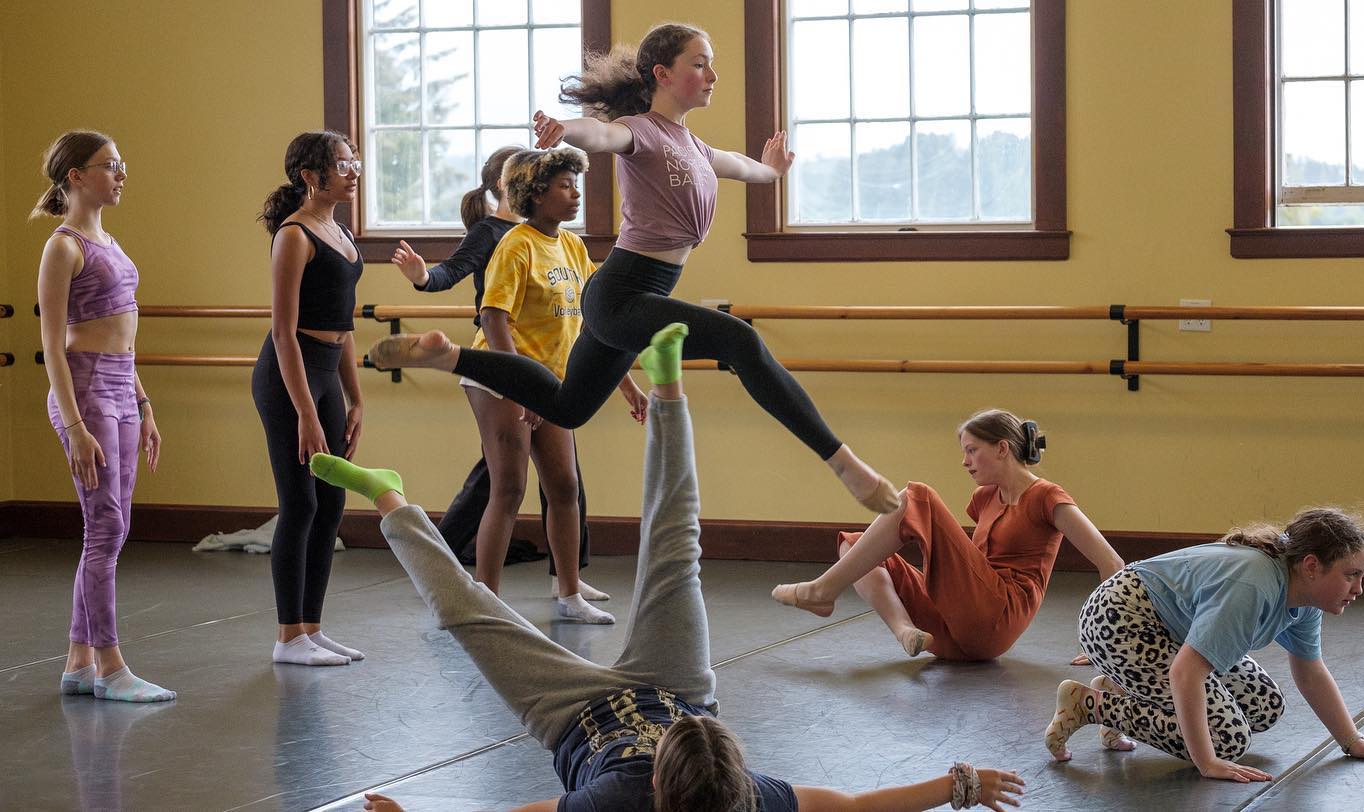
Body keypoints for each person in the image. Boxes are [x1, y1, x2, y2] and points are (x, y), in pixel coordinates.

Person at [312, 324, 1024, 812]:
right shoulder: (744, 796)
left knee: (467, 613)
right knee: (676, 553)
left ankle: (389, 497)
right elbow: (850, 806)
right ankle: (668, 388)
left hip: (573, 712)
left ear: (655, 785)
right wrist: (955, 785)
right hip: (679, 683)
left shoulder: (612, 801)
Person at [367, 22, 899, 515]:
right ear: (663, 75)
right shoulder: (640, 131)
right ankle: (845, 466)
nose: (712, 75)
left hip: (626, 297)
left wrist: (772, 171)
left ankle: (449, 356)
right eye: (700, 64)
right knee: (742, 343)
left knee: (567, 407)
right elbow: (603, 137)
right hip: (622, 294)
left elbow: (741, 165)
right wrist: (565, 129)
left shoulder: (694, 145)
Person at [1044, 508, 1364, 782]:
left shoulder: (1305, 598)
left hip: (1168, 628)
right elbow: (1186, 671)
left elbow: (1310, 671)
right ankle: (1092, 706)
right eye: (1351, 576)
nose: (1359, 589)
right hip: (1120, 620)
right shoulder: (1253, 586)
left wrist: (1352, 741)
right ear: (1310, 565)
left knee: (1264, 708)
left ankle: (1123, 687)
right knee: (1226, 740)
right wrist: (1207, 762)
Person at [390, 145, 609, 604]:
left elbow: (594, 318)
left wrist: (624, 384)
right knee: (506, 487)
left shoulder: (570, 244)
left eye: (576, 186)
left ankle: (569, 591)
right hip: (502, 374)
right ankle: (483, 597)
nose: (575, 196)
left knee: (564, 485)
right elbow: (486, 310)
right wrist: (423, 278)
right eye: (565, 186)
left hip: (550, 380)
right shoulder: (507, 240)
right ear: (534, 191)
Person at [772, 410, 1125, 665]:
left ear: (1003, 448)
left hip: (997, 618)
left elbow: (1111, 561)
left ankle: (821, 591)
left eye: (972, 450)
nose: (965, 461)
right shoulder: (985, 498)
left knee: (915, 496)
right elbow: (970, 568)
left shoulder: (1047, 497)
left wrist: (1105, 646)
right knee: (852, 545)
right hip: (957, 632)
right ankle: (905, 631)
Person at [35, 129, 173, 703]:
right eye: (109, 165)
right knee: (107, 528)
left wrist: (143, 402)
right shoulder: (63, 246)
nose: (120, 174)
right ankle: (112, 667)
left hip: (119, 387)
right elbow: (52, 344)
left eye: (122, 163)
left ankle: (78, 661)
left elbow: (125, 334)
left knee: (110, 530)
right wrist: (74, 426)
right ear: (75, 176)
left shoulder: (109, 241)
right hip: (85, 389)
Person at [253, 130, 367, 666]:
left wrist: (356, 397)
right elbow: (283, 333)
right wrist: (304, 412)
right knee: (300, 502)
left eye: (353, 161)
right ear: (310, 176)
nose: (353, 170)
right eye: (343, 163)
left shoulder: (340, 231)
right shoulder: (294, 236)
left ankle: (312, 627)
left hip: (326, 373)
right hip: (286, 376)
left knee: (333, 502)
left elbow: (342, 328)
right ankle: (287, 636)